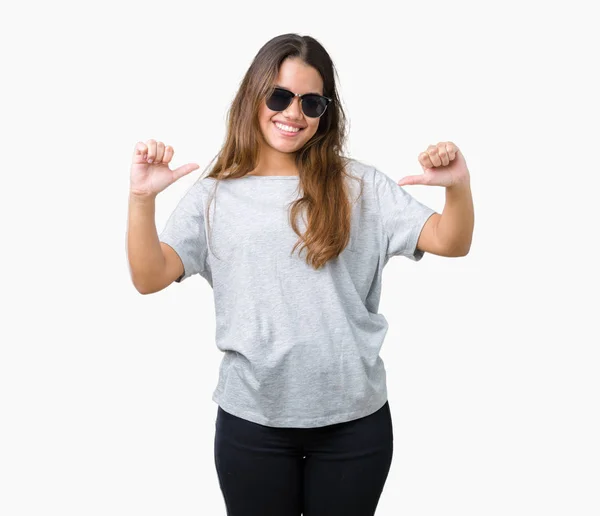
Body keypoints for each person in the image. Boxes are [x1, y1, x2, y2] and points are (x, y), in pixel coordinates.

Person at [127, 33, 474, 516]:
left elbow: (451, 242)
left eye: (311, 103)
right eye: (280, 96)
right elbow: (149, 277)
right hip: (252, 423)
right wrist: (143, 200)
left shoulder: (361, 186)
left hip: (354, 423)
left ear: (324, 112)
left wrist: (458, 188)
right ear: (254, 95)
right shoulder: (213, 197)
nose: (293, 114)